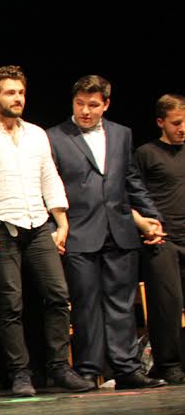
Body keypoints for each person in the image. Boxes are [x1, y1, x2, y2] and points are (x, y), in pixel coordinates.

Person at [0, 65, 92, 396]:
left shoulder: (36, 134)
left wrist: (61, 221)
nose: (18, 98)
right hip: (1, 226)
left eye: (21, 92)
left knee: (58, 295)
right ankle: (19, 372)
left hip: (38, 222)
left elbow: (49, 176)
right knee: (11, 303)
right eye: (10, 92)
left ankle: (59, 366)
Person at [47, 76, 165, 390]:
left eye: (93, 105)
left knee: (121, 303)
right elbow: (48, 186)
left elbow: (131, 180)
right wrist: (55, 229)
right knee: (86, 304)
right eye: (80, 104)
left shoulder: (121, 133)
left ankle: (127, 368)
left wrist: (151, 217)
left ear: (106, 104)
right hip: (79, 231)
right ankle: (88, 369)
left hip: (119, 229)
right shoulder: (54, 137)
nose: (85, 111)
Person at [135, 94, 185, 385]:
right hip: (162, 239)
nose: (182, 128)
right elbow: (131, 195)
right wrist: (144, 226)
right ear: (160, 122)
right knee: (167, 304)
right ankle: (168, 364)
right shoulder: (147, 153)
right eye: (176, 123)